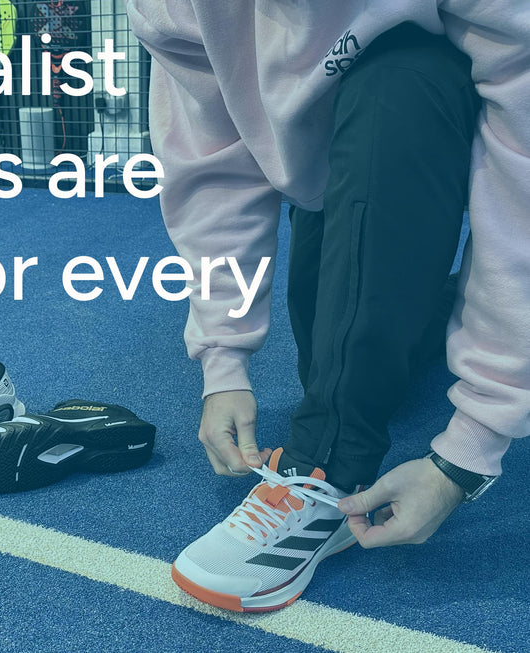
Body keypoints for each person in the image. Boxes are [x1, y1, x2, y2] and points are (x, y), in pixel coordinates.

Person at [127, 1, 530, 612]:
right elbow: (211, 166)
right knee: (336, 356)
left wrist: (468, 453)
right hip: (331, 159)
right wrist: (223, 357)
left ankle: (329, 471)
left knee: (397, 86)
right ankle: (439, 306)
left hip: (421, 103)